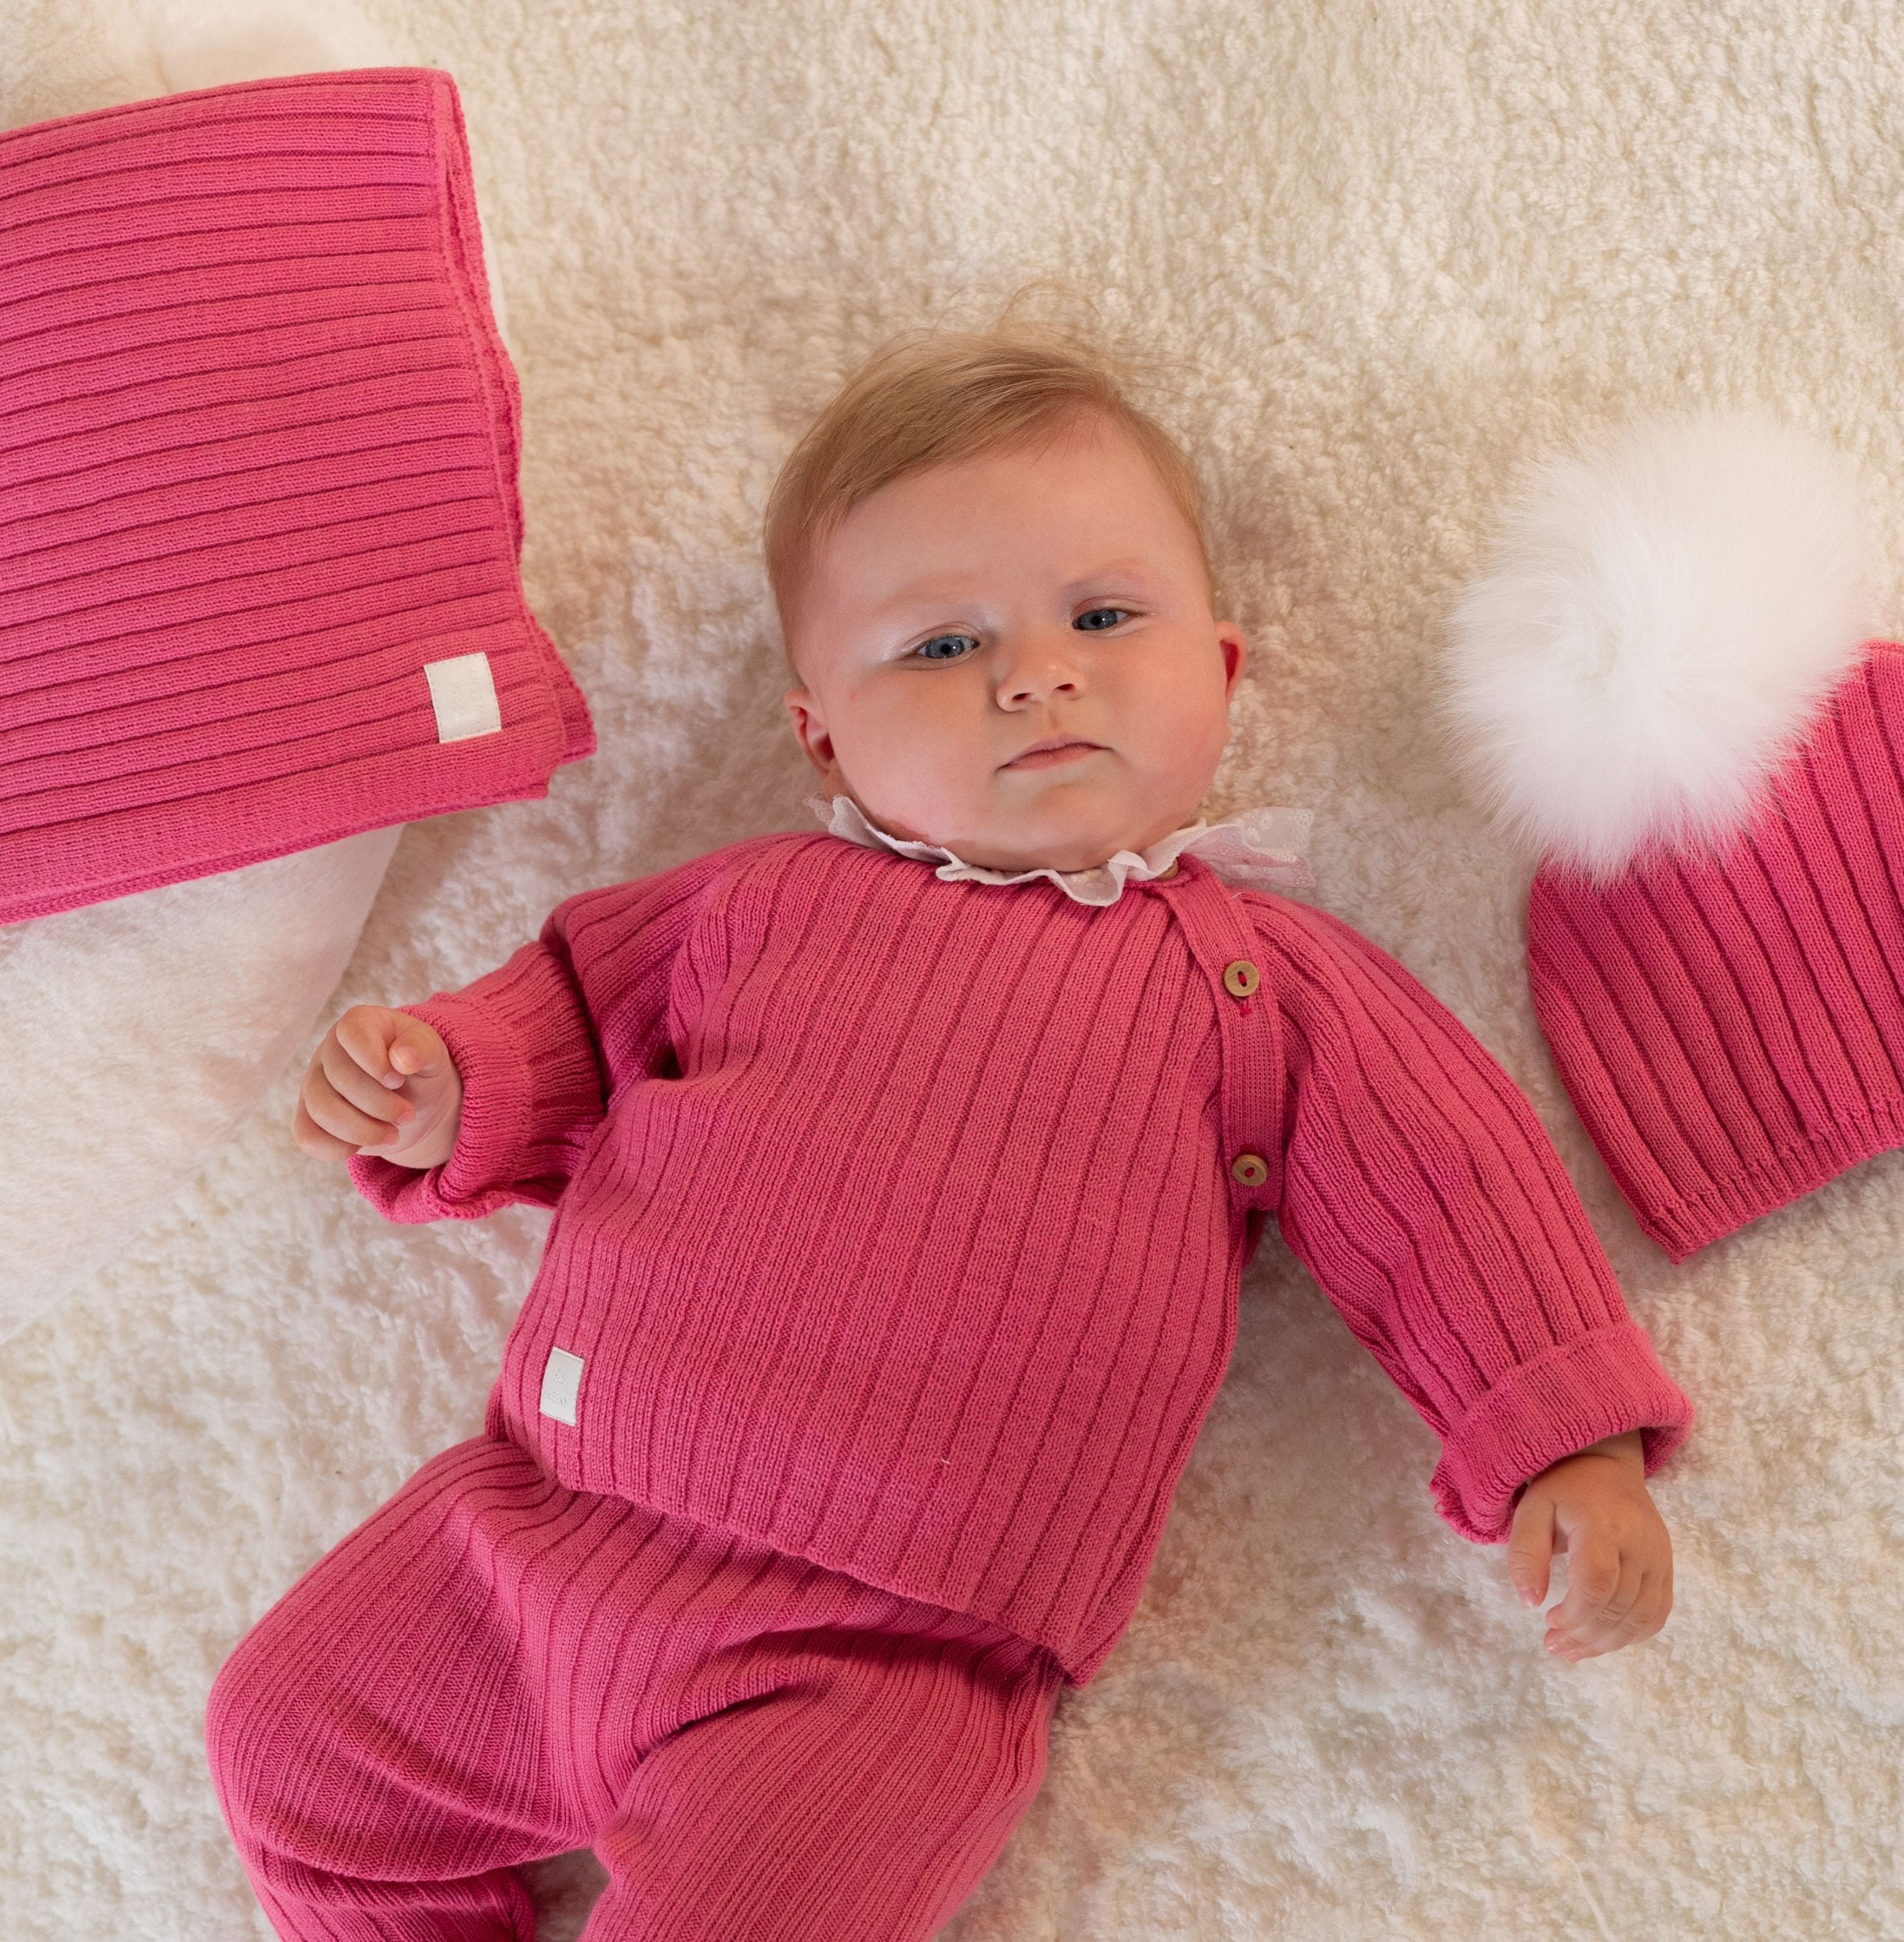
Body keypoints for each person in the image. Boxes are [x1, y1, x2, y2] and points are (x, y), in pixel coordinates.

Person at [205, 316, 1695, 1941]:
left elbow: (1449, 1185)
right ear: (822, 735)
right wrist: (449, 1079)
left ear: (1220, 670)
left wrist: (1563, 1437)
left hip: (879, 1667)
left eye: (1104, 616)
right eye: (939, 646)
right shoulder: (757, 904)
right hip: (536, 1531)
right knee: (285, 1747)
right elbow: (567, 1010)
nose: (1035, 673)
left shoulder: (1254, 984)